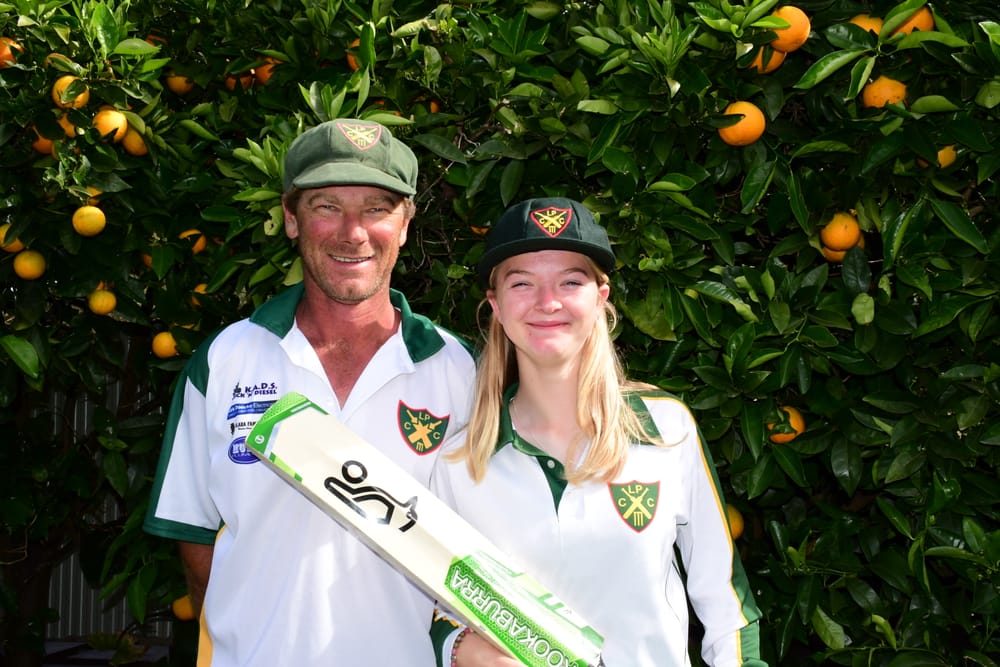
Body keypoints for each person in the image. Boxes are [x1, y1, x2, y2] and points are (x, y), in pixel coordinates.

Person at [143, 118, 476, 666]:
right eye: (326, 206)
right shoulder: (226, 358)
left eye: (377, 208)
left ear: (406, 222)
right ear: (291, 220)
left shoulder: (458, 367)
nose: (353, 231)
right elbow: (193, 535)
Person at [430, 197, 767, 666]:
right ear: (497, 306)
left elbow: (726, 603)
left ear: (600, 298)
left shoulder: (665, 429)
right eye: (522, 283)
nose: (548, 302)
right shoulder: (459, 463)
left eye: (571, 281)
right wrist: (463, 649)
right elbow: (440, 608)